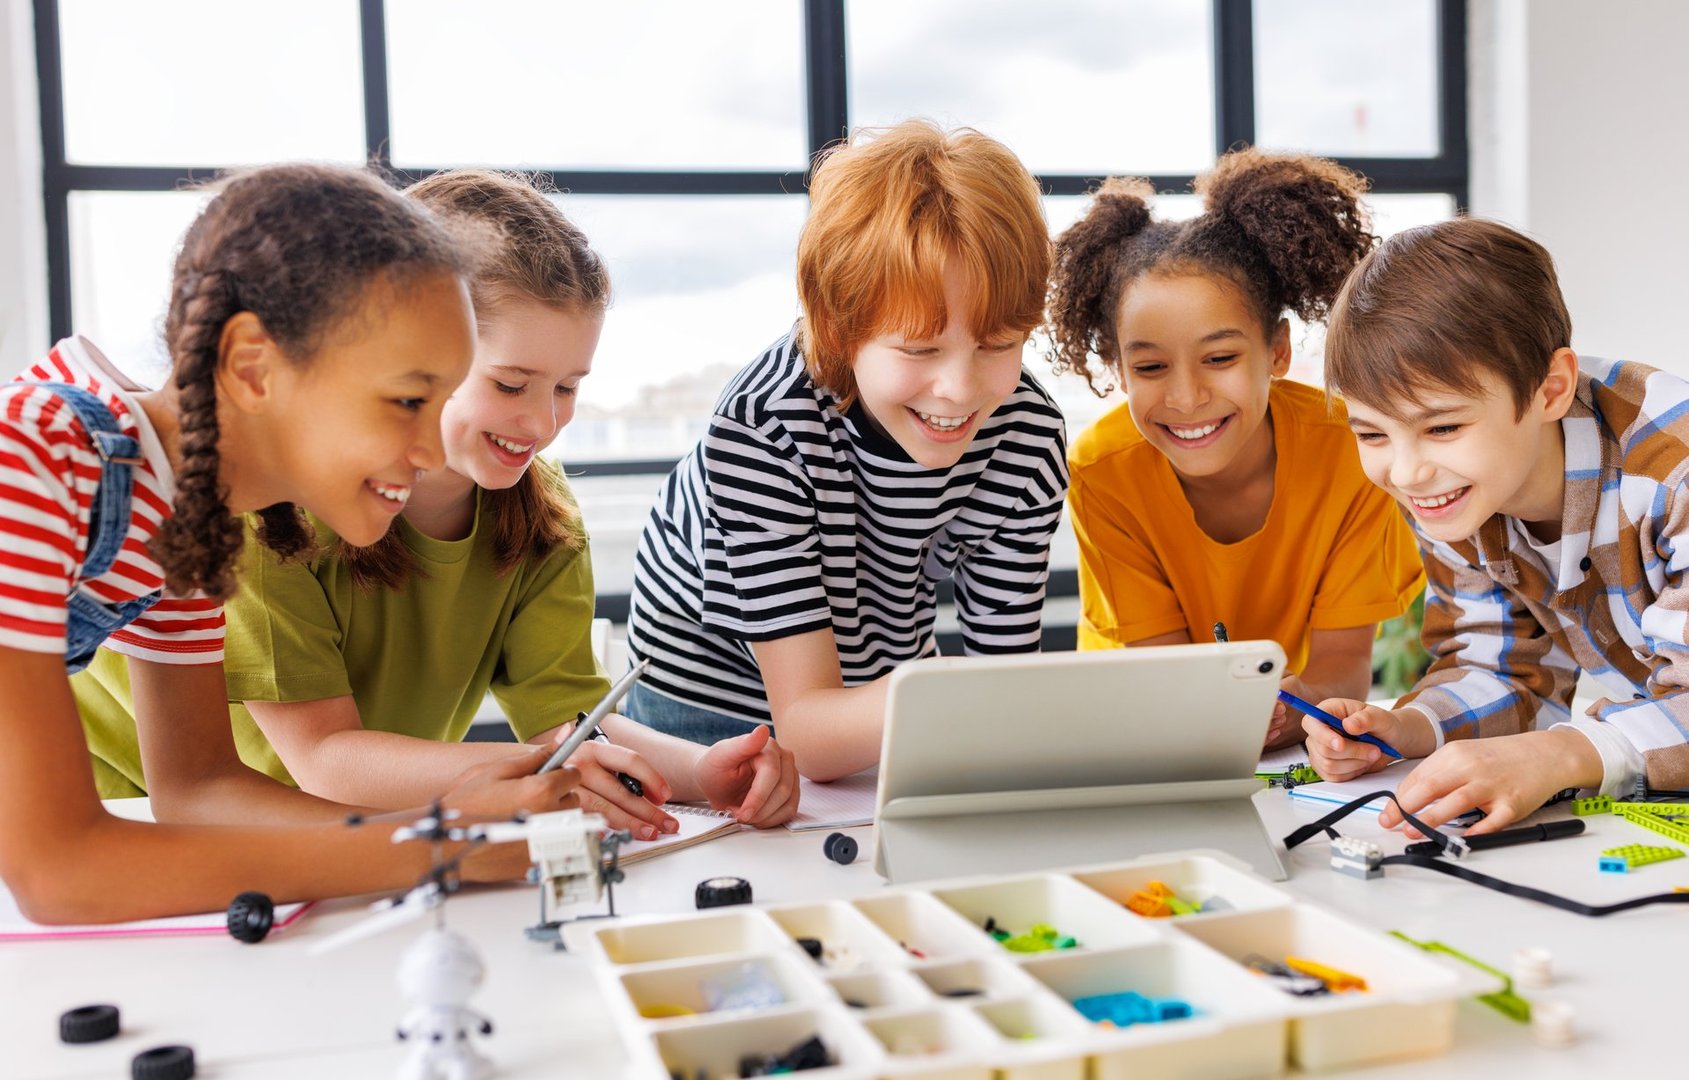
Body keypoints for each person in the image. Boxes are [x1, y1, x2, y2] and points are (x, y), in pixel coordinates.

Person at [74, 170, 798, 835]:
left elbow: (566, 727)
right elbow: (304, 765)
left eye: (568, 387)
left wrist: (697, 771)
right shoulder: (253, 505)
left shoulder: (539, 512)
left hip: (322, 828)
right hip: (138, 806)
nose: (544, 422)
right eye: (508, 385)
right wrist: (515, 786)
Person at [0, 164, 576, 923]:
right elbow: (56, 871)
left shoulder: (183, 517)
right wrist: (434, 847)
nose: (431, 450)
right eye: (407, 400)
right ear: (252, 366)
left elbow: (199, 790)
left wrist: (441, 829)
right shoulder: (32, 456)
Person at [623, 120, 1069, 781]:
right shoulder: (764, 426)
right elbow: (809, 734)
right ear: (838, 328)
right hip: (705, 709)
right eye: (919, 349)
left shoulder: (1027, 433)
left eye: (997, 344)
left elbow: (1002, 679)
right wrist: (974, 695)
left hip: (878, 690)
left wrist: (994, 704)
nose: (959, 389)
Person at [1306, 217, 1689, 834]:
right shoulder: (1457, 488)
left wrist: (1563, 755)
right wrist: (1409, 728)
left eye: (1442, 427)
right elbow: (1503, 665)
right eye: (1372, 433)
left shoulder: (1676, 474)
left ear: (1551, 389)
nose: (1405, 472)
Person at [1045, 149, 1424, 749]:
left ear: (1277, 351)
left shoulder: (1349, 450)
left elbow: (1344, 662)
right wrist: (1241, 712)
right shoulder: (1103, 468)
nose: (1187, 398)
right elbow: (1165, 676)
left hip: (1267, 737)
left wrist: (1298, 706)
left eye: (1219, 358)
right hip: (1129, 733)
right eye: (1150, 367)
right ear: (1118, 368)